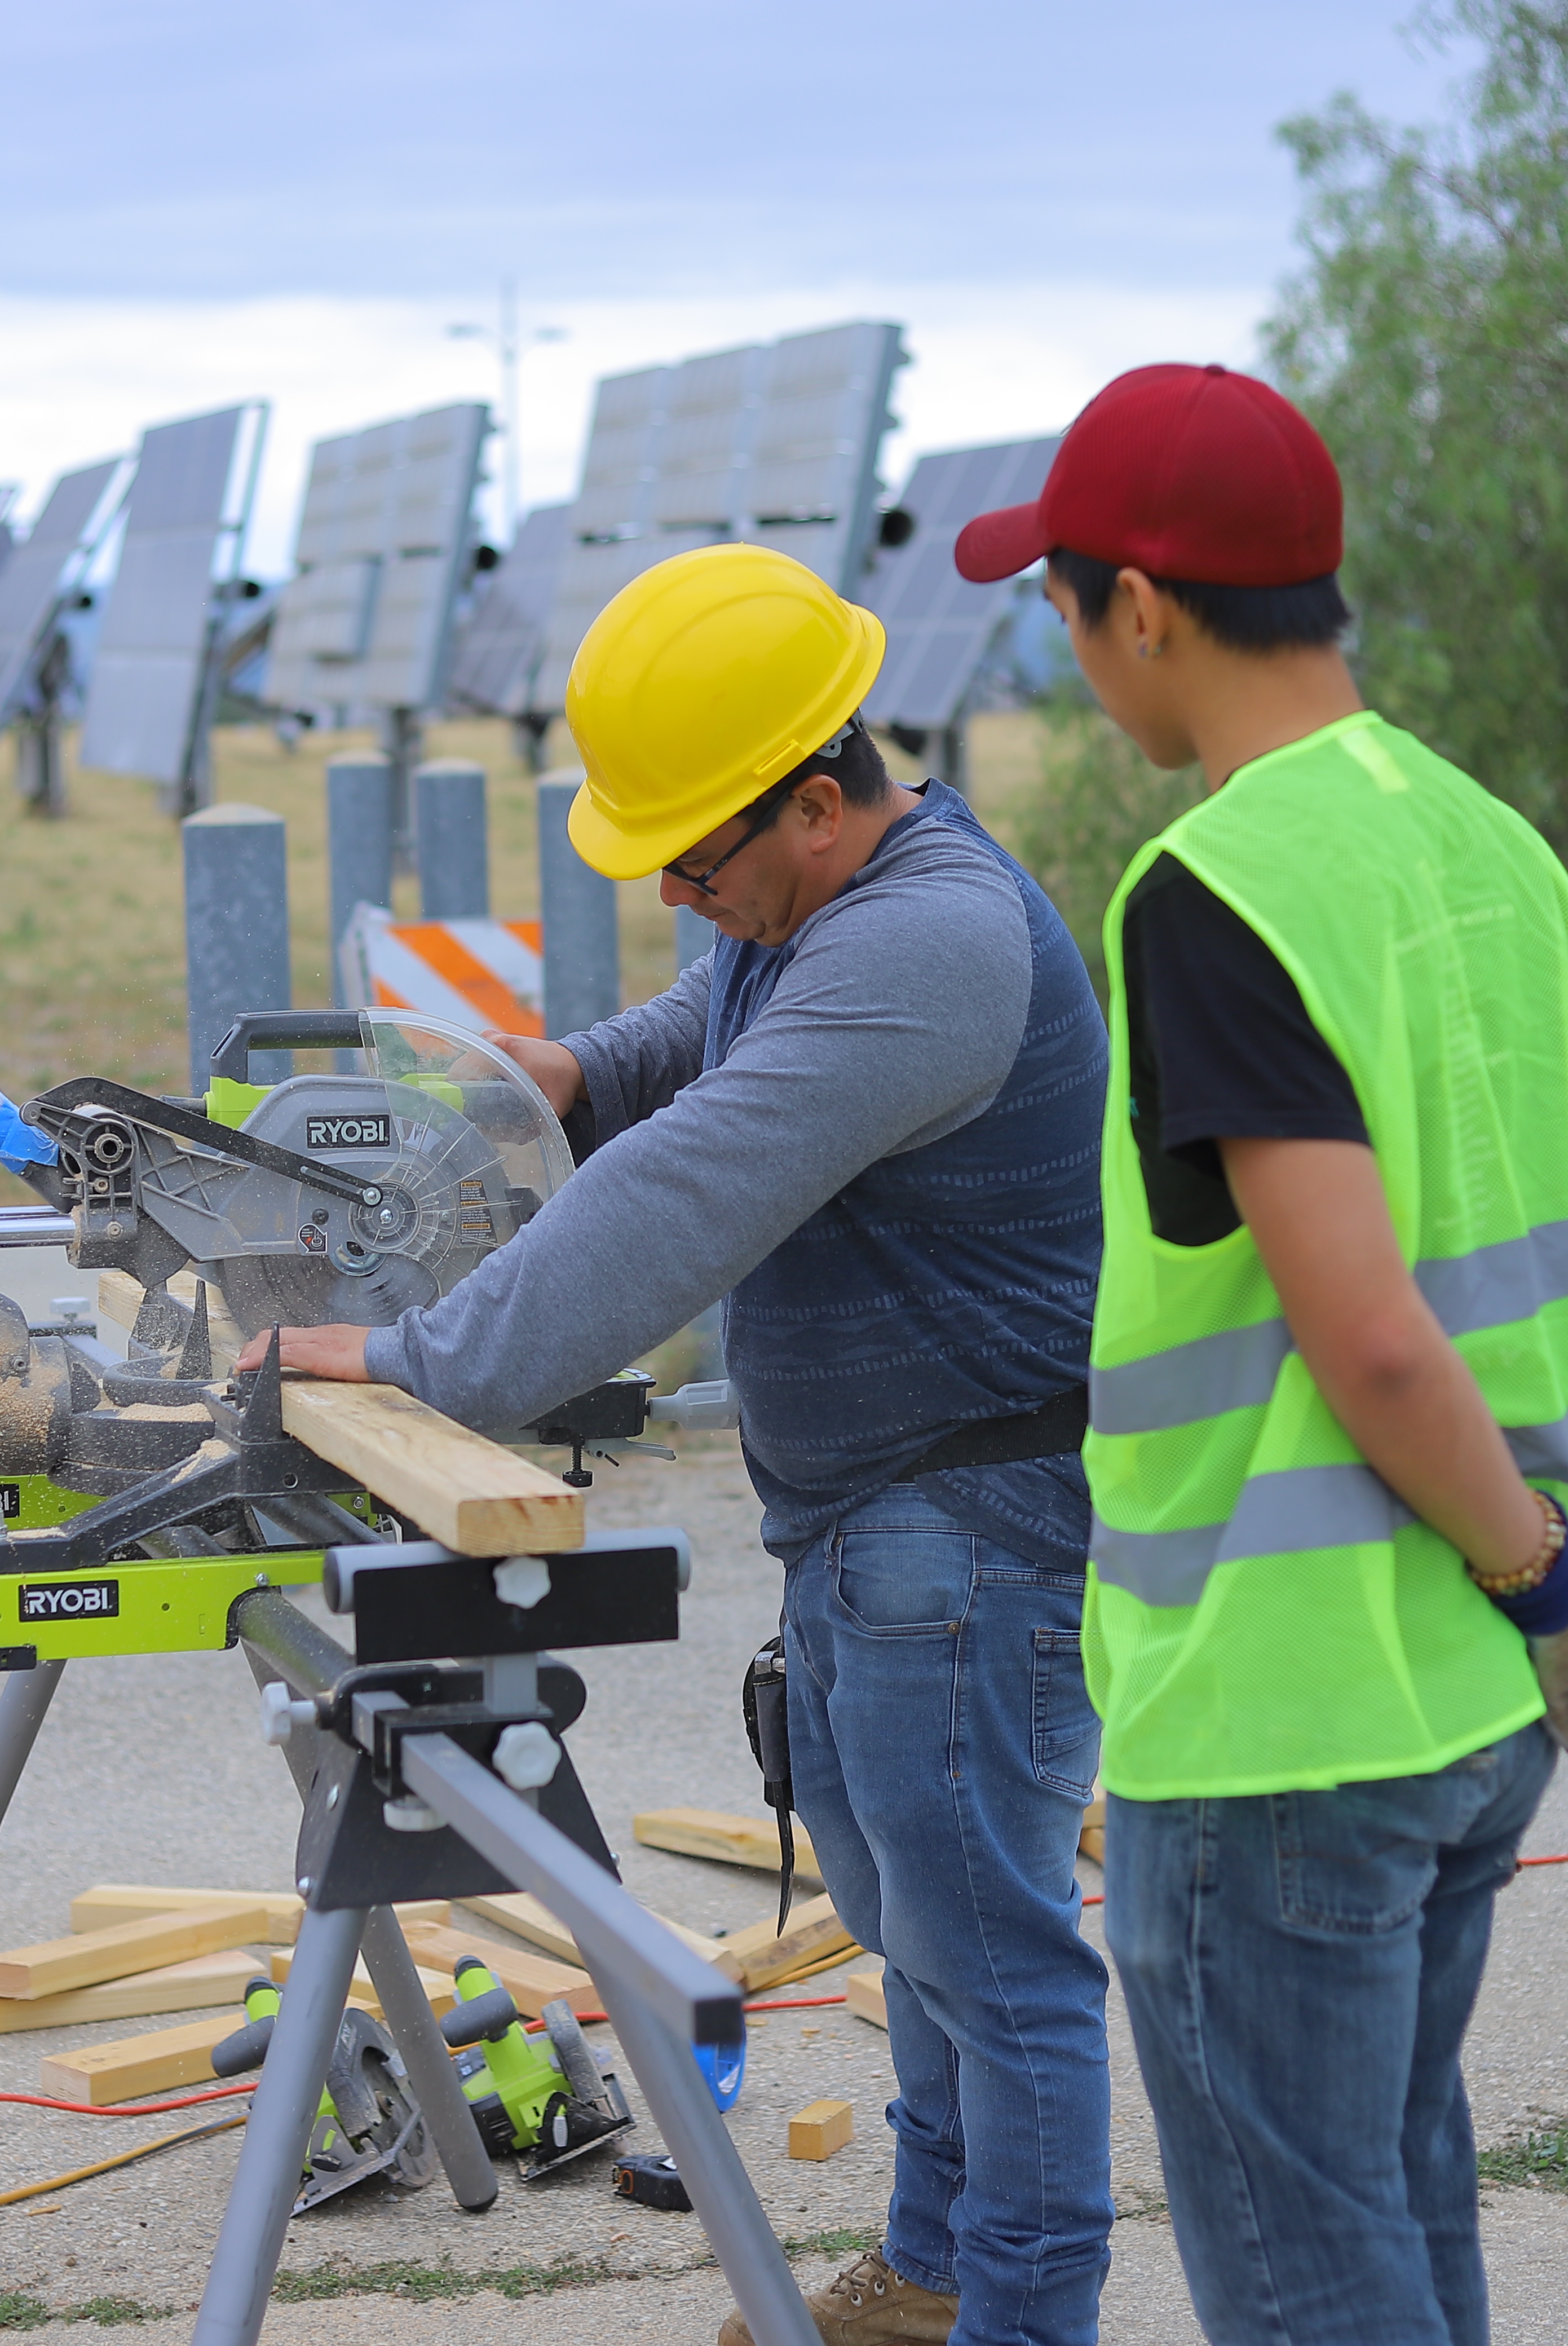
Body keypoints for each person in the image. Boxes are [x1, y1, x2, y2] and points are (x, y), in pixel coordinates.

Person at [251, 541, 1114, 2346]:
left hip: (960, 1513)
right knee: (910, 1920)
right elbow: (710, 1033)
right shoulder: (822, 911)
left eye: (695, 863)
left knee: (991, 1953)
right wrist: (564, 1072)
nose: (678, 893)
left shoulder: (934, 945)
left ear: (816, 803)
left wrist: (416, 1361)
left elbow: (688, 1191)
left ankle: (1021, 2319)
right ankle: (937, 2272)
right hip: (883, 1515)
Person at [952, 363, 1568, 2344]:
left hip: (1283, 1722)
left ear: (1151, 610)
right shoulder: (1492, 846)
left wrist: (1546, 1568)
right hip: (1471, 1711)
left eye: (1068, 599)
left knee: (1301, 2264)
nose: (1072, 639)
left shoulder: (1214, 890)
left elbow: (1360, 1342)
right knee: (1394, 2194)